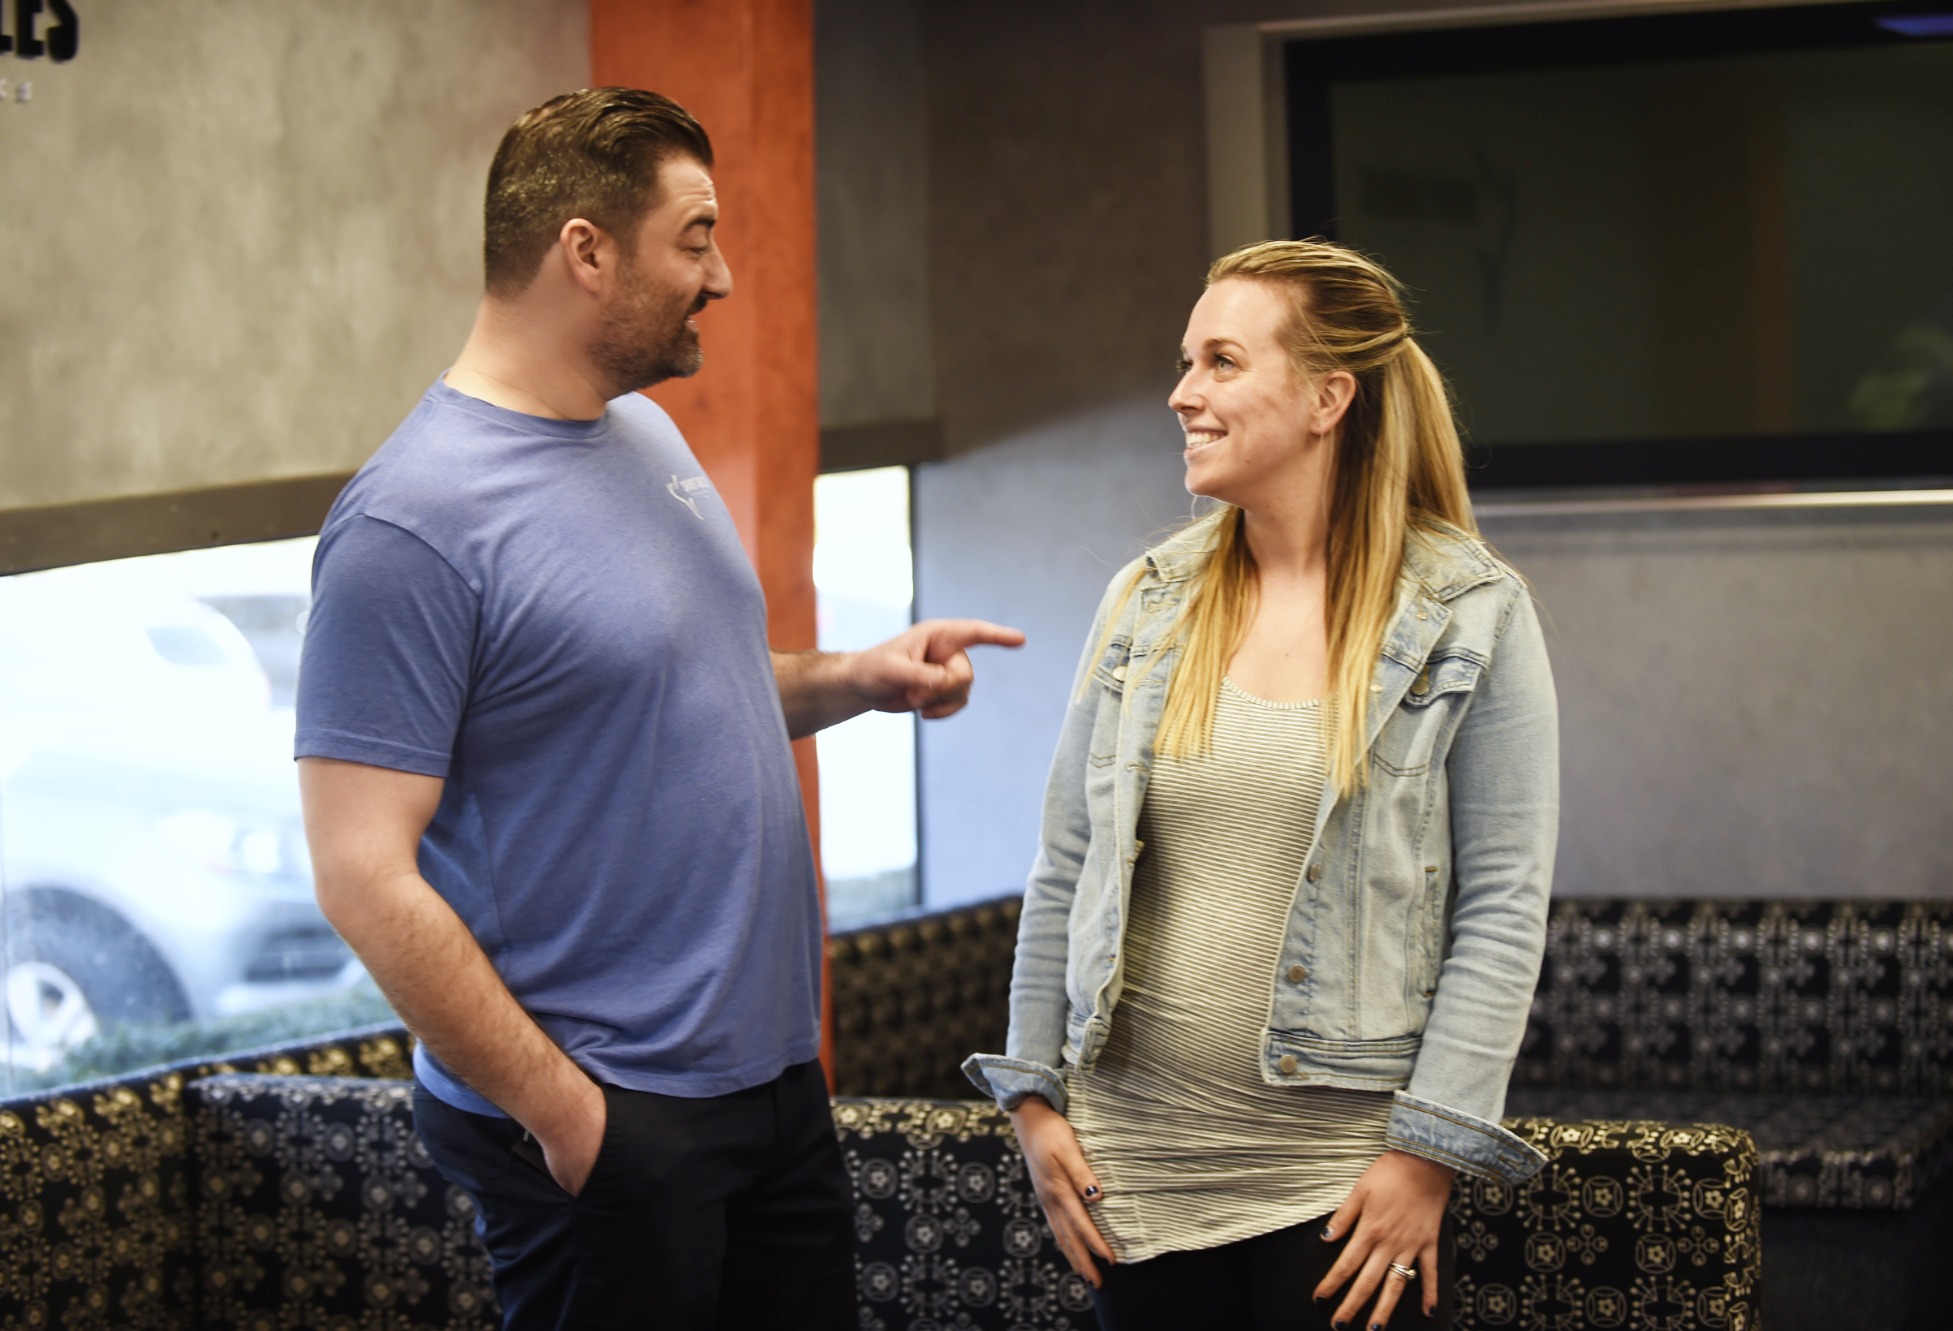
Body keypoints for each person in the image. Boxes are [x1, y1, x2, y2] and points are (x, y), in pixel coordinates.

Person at [294, 87, 1021, 1330]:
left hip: (772, 1086)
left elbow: (669, 695)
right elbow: (360, 870)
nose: (723, 275)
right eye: (694, 237)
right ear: (585, 249)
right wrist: (570, 1118)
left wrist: (856, 676)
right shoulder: (410, 523)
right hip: (608, 1114)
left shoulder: (641, 434)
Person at [964, 239, 1558, 1331]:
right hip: (1132, 1173)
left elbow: (1502, 906)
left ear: (1328, 395)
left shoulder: (1470, 612)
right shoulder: (1142, 602)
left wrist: (1428, 1148)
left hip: (1339, 1185)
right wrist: (1033, 1098)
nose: (1182, 393)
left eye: (1220, 361)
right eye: (1187, 361)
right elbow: (1064, 865)